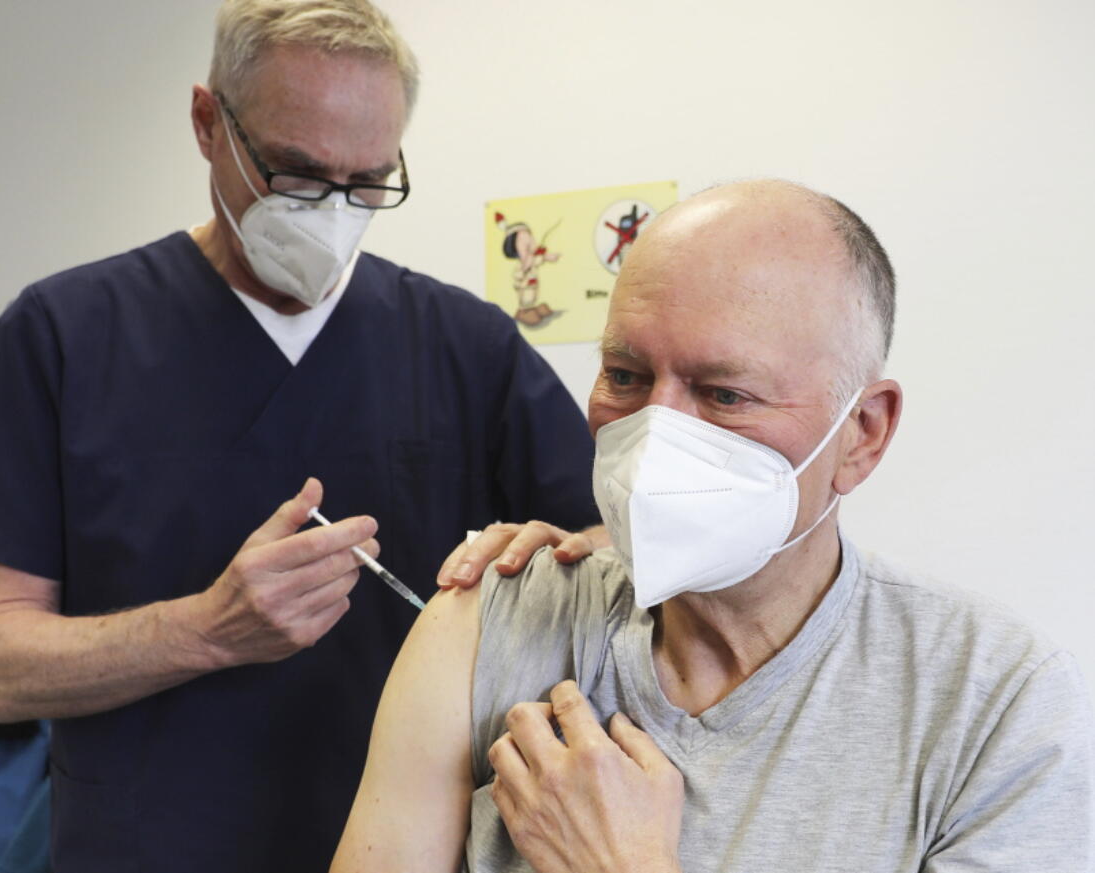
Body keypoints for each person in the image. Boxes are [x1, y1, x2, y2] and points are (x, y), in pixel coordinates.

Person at [0, 1, 606, 870]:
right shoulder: (63, 337)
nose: (333, 213)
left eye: (368, 182)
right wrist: (208, 630)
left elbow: (606, 564)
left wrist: (559, 564)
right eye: (298, 176)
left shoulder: (465, 346)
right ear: (207, 124)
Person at [330, 179, 1095, 873]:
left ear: (860, 432)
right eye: (625, 377)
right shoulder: (492, 617)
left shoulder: (996, 702)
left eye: (725, 394)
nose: (654, 436)